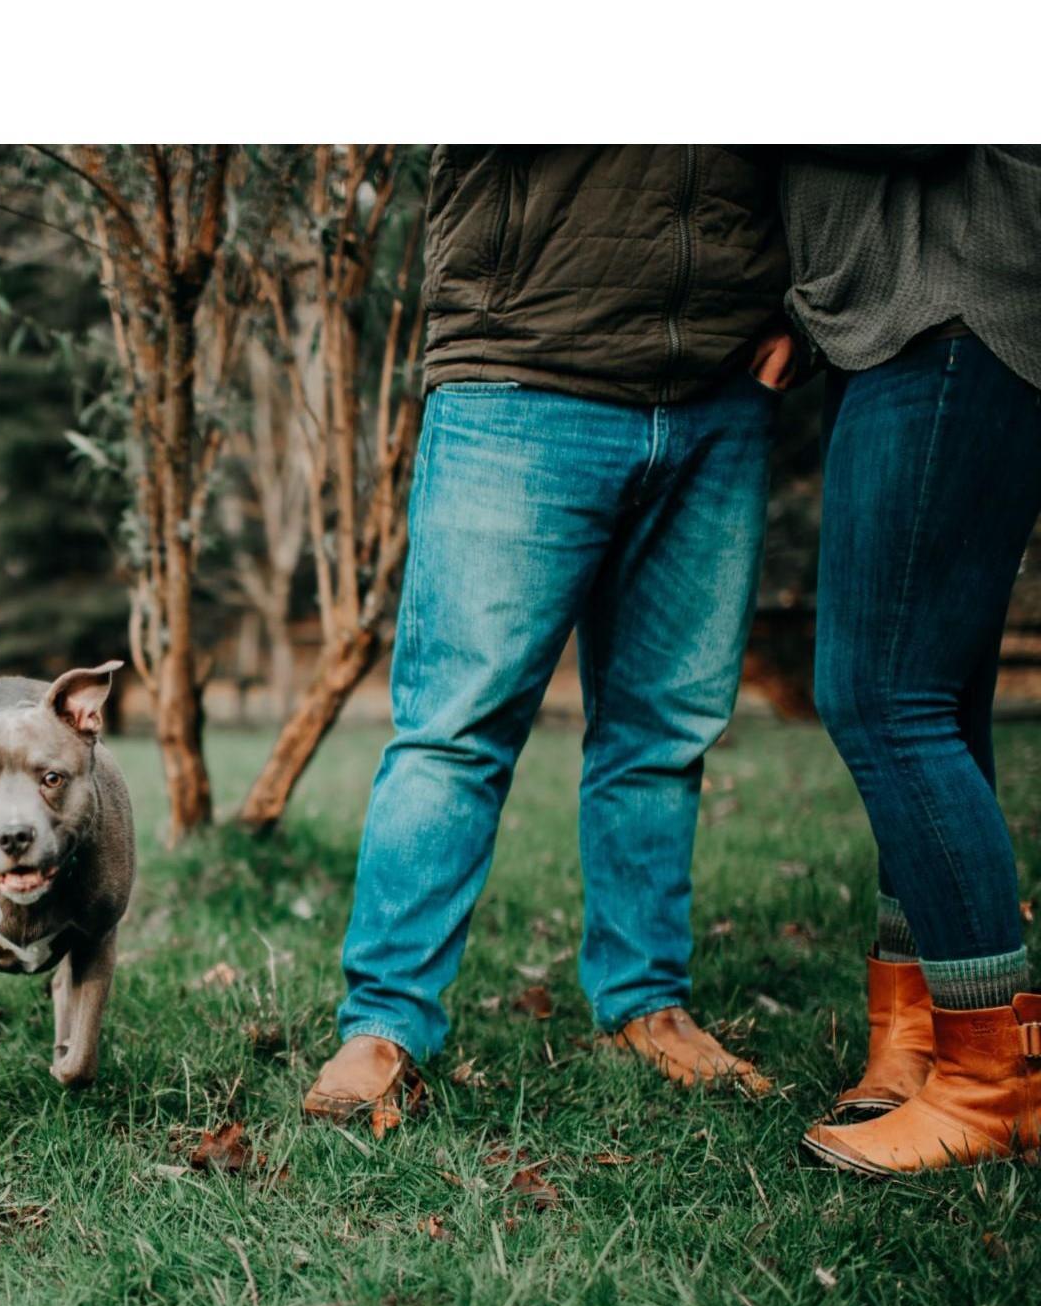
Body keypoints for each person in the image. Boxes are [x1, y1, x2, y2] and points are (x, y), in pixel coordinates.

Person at [304, 146, 788, 1131]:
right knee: (454, 729)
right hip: (521, 369)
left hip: (719, 382)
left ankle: (644, 1004)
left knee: (664, 731)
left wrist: (798, 305)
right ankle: (383, 1021)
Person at [790, 147, 1041, 1177]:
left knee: (878, 692)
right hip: (923, 315)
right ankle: (923, 1033)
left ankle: (993, 1083)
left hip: (948, 311)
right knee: (934, 692)